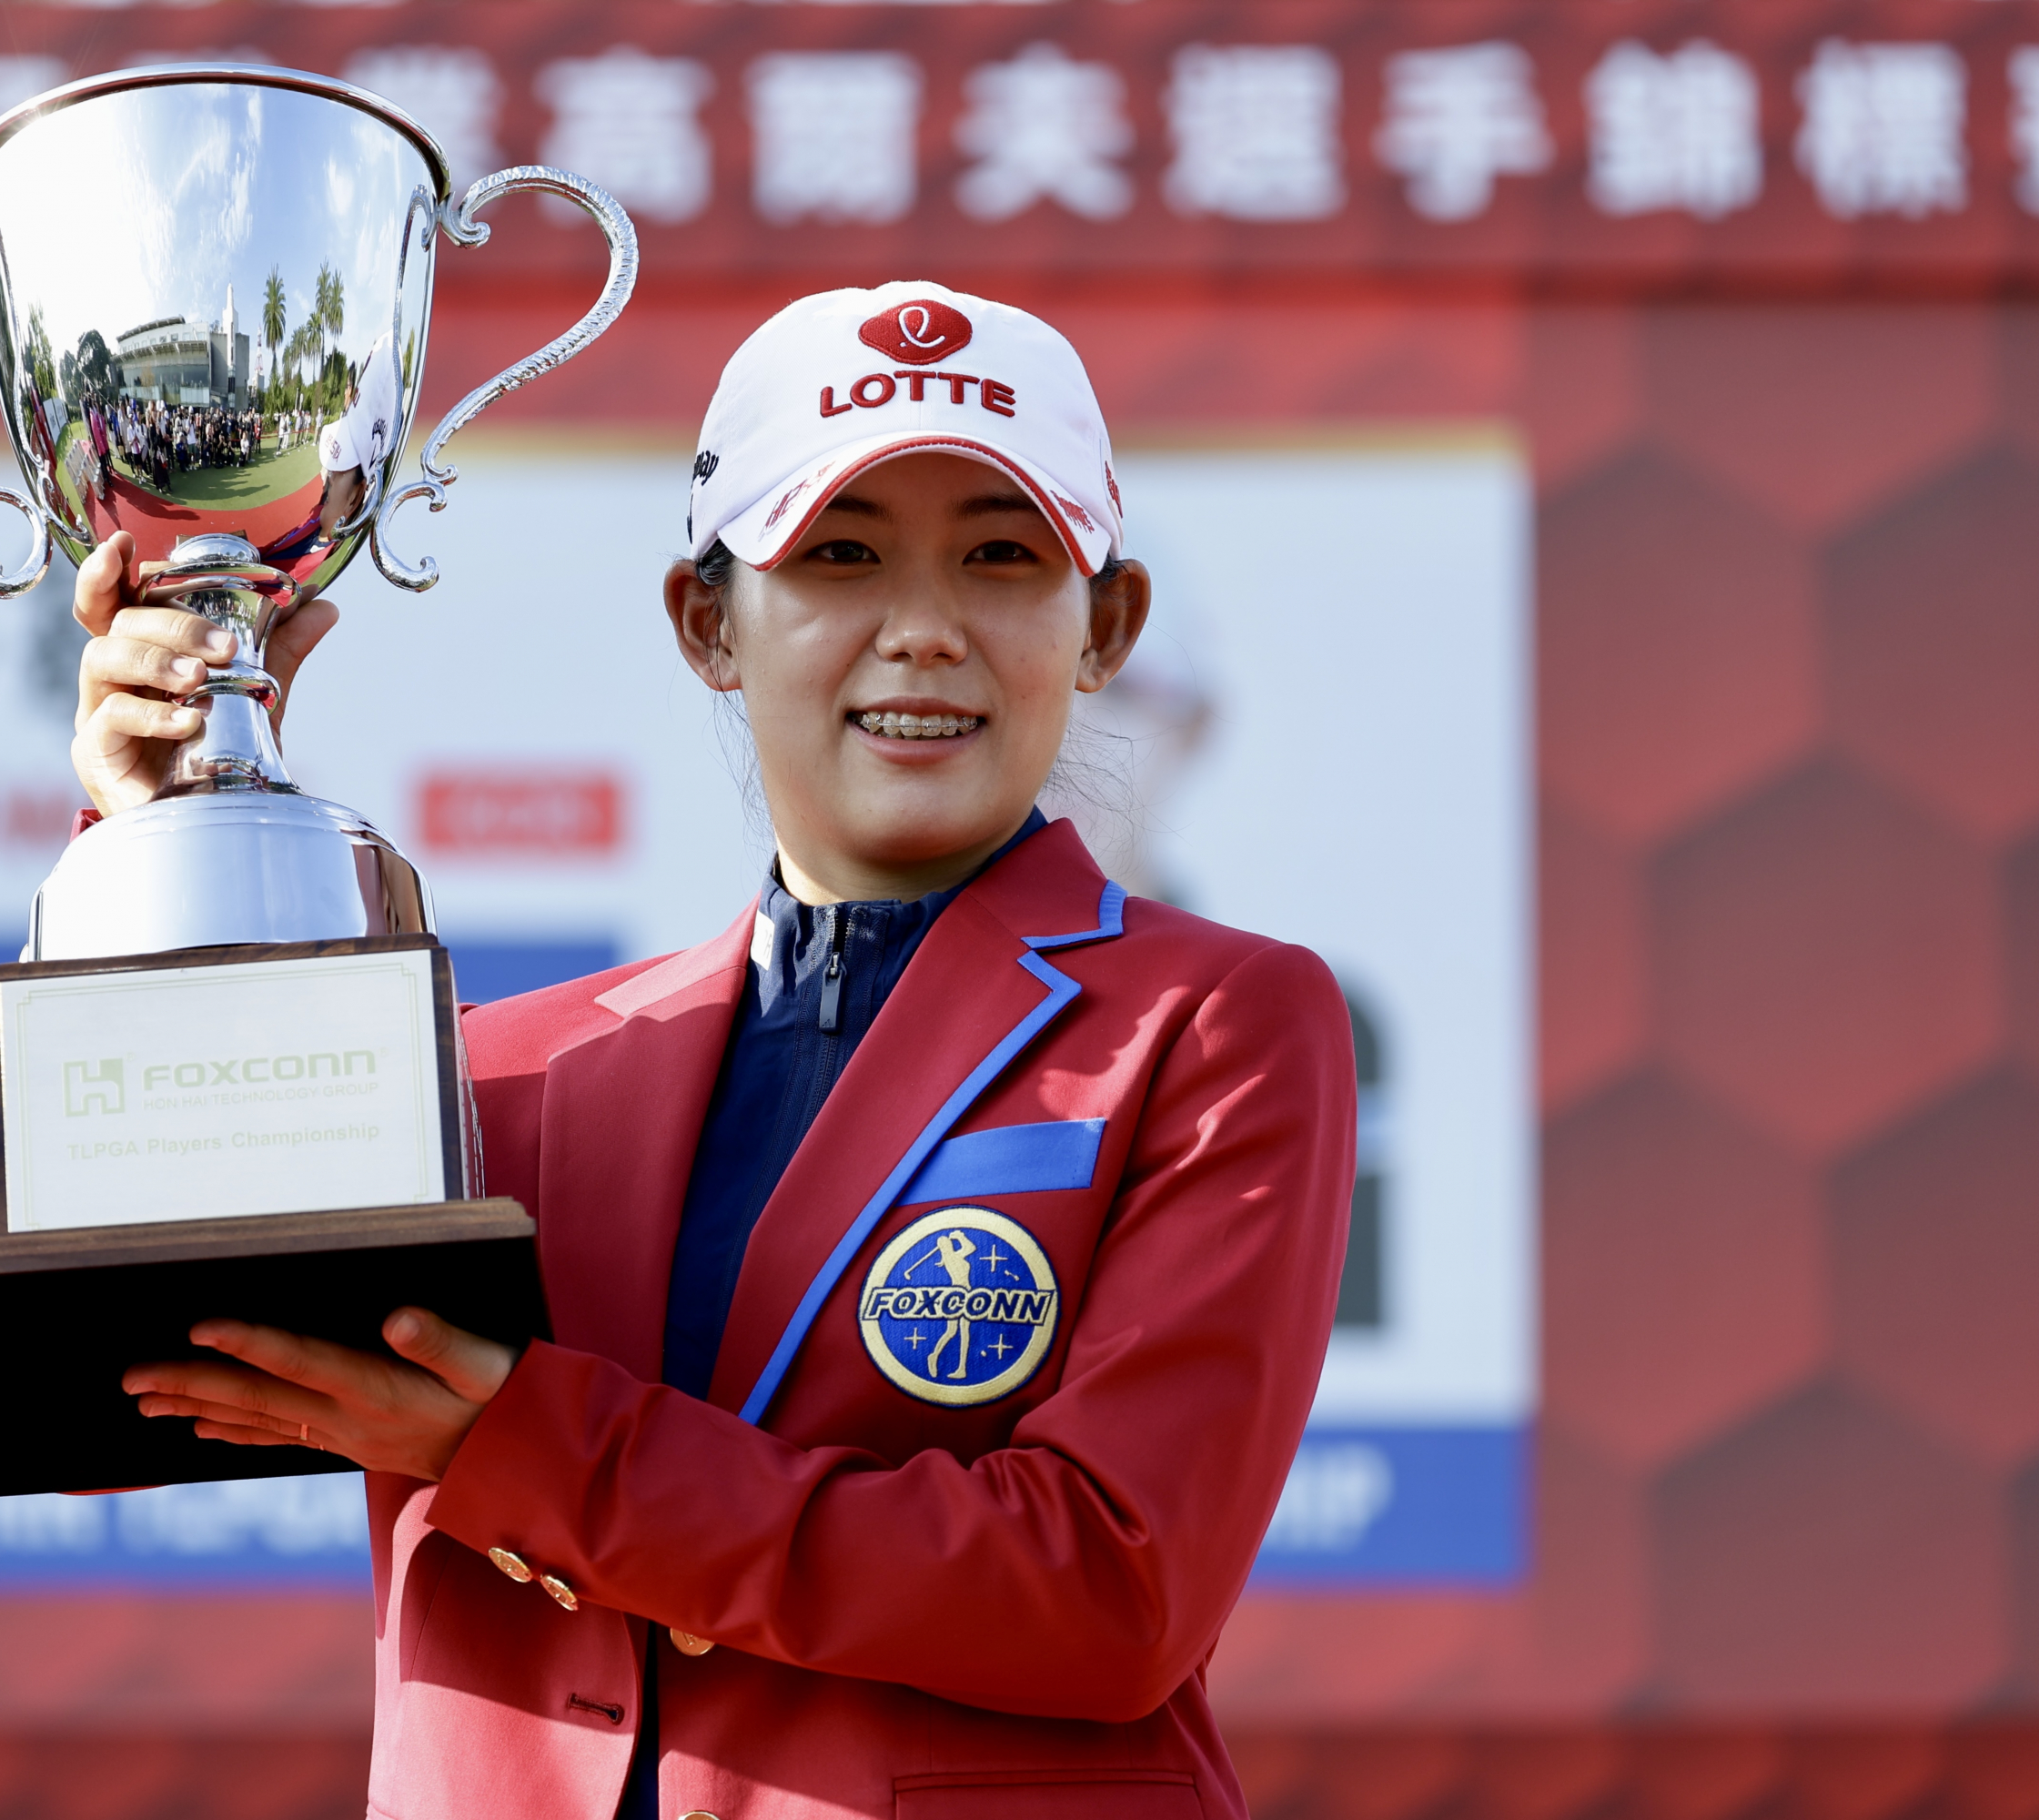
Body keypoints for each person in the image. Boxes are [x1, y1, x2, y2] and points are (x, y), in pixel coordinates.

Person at [70, 284, 1355, 1820]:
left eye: (1002, 556)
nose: (926, 627)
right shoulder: (504, 1077)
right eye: (840, 554)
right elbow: (106, 1367)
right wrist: (158, 859)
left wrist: (520, 1446)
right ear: (707, 625)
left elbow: (1104, 1593)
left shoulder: (1208, 1024)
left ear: (1107, 629)